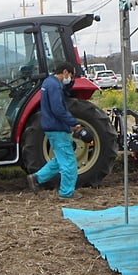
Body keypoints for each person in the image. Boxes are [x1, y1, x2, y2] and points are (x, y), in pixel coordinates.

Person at [26, 63, 83, 200]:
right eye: (70, 75)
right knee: (69, 162)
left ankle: (37, 178)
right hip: (58, 128)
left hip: (51, 127)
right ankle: (67, 193)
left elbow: (62, 94)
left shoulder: (48, 82)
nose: (70, 78)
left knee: (59, 159)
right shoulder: (54, 85)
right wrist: (74, 123)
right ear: (64, 72)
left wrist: (70, 84)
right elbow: (58, 109)